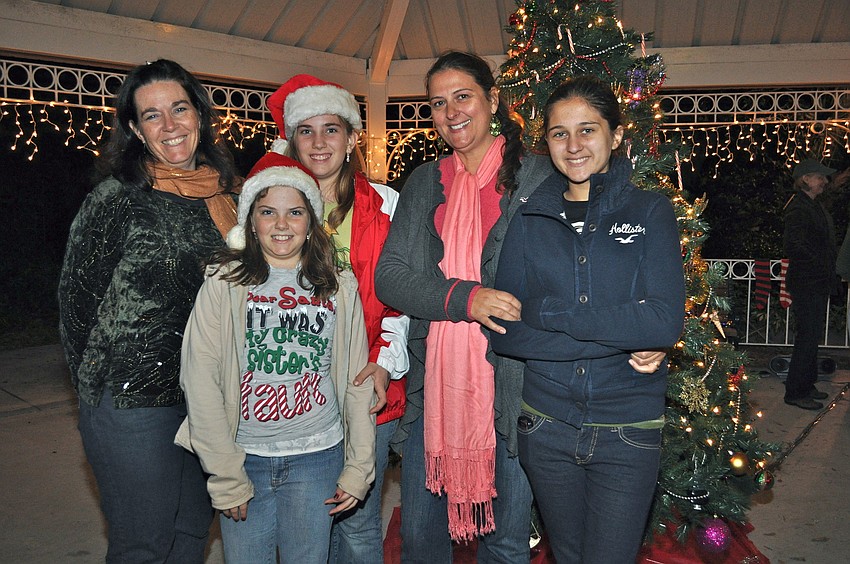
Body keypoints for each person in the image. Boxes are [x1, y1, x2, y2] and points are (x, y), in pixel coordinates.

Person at [374, 52, 666, 563]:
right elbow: (392, 277)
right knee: (420, 538)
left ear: (492, 100)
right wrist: (466, 298)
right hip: (437, 386)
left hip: (517, 387)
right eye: (437, 103)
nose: (451, 112)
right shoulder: (424, 182)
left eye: (463, 96)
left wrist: (644, 336)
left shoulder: (540, 175)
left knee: (507, 542)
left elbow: (593, 270)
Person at [490, 75, 686, 563]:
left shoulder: (649, 212)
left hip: (628, 428)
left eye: (588, 130)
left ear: (616, 136)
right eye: (559, 133)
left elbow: (663, 322)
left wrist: (549, 313)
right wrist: (624, 332)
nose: (573, 146)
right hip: (546, 426)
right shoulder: (530, 218)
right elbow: (508, 334)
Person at [57, 58, 239, 563]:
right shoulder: (116, 199)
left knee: (190, 532)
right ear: (136, 129)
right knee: (145, 540)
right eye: (152, 116)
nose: (170, 125)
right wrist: (96, 394)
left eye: (179, 109)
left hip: (208, 395)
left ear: (200, 116)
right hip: (132, 400)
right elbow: (76, 305)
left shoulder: (231, 197)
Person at [174, 151, 376, 562]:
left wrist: (359, 468)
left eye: (295, 212)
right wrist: (225, 475)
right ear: (250, 220)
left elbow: (358, 382)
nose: (281, 224)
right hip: (244, 457)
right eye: (268, 212)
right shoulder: (224, 281)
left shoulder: (339, 285)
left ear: (312, 222)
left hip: (318, 457)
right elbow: (200, 378)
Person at [265, 74, 409, 564]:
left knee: (359, 525)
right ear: (292, 141)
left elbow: (401, 297)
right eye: (306, 130)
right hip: (296, 393)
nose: (319, 141)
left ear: (351, 139)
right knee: (308, 525)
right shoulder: (274, 209)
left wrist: (386, 363)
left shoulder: (386, 205)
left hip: (364, 380)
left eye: (332, 128)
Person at [782, 158, 841, 410]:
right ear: (806, 179)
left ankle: (807, 384)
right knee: (807, 337)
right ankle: (795, 391)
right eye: (820, 177)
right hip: (807, 280)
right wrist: (819, 264)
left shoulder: (813, 205)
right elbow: (795, 245)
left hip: (816, 280)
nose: (825, 181)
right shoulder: (798, 208)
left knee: (812, 335)